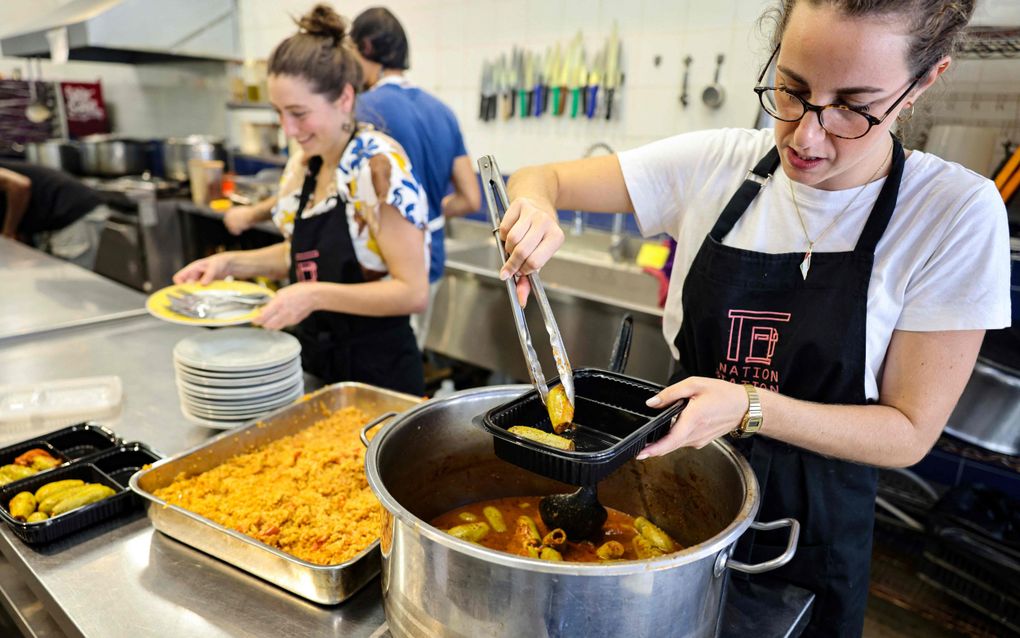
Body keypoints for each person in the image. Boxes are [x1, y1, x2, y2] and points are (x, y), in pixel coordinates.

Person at [498, 1, 1011, 636]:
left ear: (922, 83)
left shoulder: (953, 211)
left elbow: (908, 431)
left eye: (852, 106)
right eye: (792, 90)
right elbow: (541, 177)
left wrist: (749, 406)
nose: (805, 136)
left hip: (812, 530)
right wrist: (531, 207)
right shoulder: (717, 162)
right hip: (670, 488)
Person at [174, 4, 429, 396]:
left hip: (379, 375)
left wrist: (312, 295)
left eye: (298, 113)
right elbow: (299, 255)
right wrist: (229, 263)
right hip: (315, 366)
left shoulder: (376, 166)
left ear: (344, 98)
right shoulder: (305, 166)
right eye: (279, 113)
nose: (288, 129)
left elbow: (412, 292)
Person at [0, 159, 111, 269]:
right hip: (54, 219)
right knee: (49, 276)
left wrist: (9, 232)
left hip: (74, 212)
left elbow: (20, 185)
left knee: (69, 279)